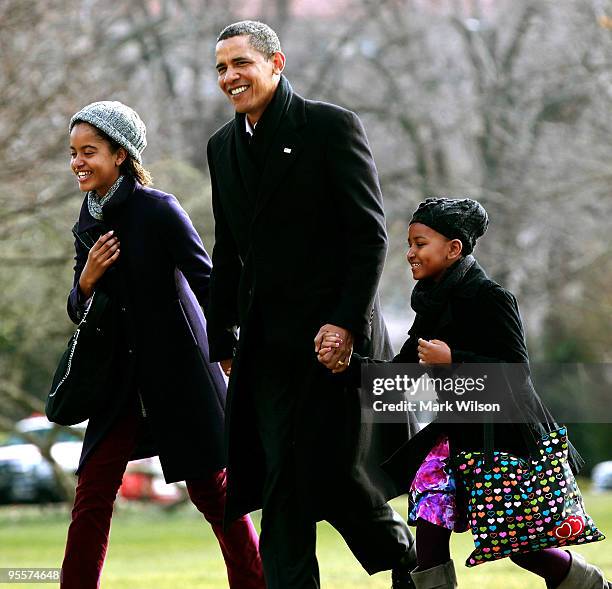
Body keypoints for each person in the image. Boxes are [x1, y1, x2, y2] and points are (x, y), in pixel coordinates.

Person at [206, 20, 417, 589]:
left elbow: (369, 235)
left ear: (277, 63)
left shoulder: (330, 126)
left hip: (335, 342)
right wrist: (220, 334)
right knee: (281, 483)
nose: (230, 77)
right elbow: (228, 249)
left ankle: (411, 565)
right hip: (268, 348)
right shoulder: (222, 148)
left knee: (337, 476)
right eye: (221, 68)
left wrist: (346, 322)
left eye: (241, 63)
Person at [317, 197, 611, 589]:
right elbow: (404, 374)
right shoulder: (431, 303)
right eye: (410, 244)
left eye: (420, 244)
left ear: (453, 249)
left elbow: (517, 376)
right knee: (430, 518)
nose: (410, 254)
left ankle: (589, 584)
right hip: (453, 439)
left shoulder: (492, 297)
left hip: (503, 441)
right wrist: (347, 365)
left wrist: (453, 359)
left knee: (521, 546)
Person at [61, 100, 264, 588]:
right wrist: (86, 280)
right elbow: (77, 308)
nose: (77, 163)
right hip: (117, 381)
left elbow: (208, 283)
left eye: (89, 151)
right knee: (91, 495)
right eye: (73, 152)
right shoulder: (86, 221)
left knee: (214, 495)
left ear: (121, 154)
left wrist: (229, 350)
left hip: (178, 373)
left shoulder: (159, 209)